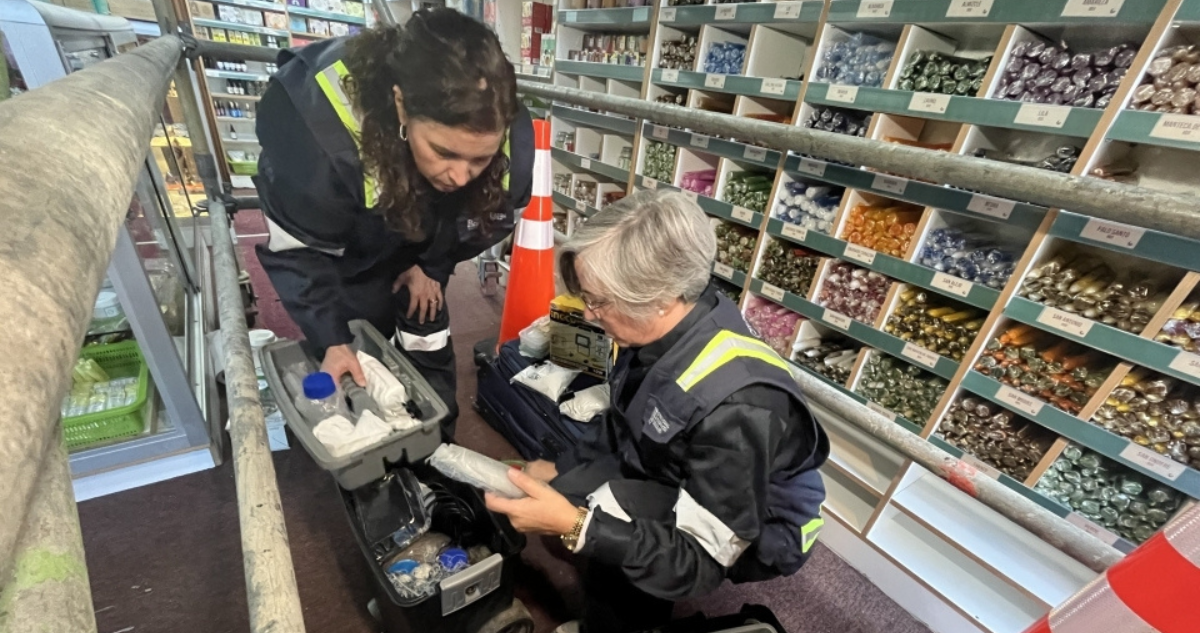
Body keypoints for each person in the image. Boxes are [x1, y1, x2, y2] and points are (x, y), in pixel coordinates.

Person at [486, 190, 830, 633]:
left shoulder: (739, 408)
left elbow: (699, 562)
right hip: (683, 465)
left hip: (761, 522)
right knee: (569, 489)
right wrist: (560, 469)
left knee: (607, 513)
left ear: (660, 298)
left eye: (598, 301)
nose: (588, 314)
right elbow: (622, 421)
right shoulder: (657, 325)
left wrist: (578, 527)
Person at [253, 9, 534, 440]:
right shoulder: (315, 133)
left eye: (479, 159)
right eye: (444, 152)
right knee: (356, 336)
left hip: (431, 227)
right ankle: (371, 451)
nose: (461, 175)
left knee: (426, 318)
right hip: (345, 234)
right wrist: (331, 339)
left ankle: (435, 443)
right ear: (401, 105)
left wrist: (433, 265)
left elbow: (492, 217)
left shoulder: (506, 130)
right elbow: (299, 250)